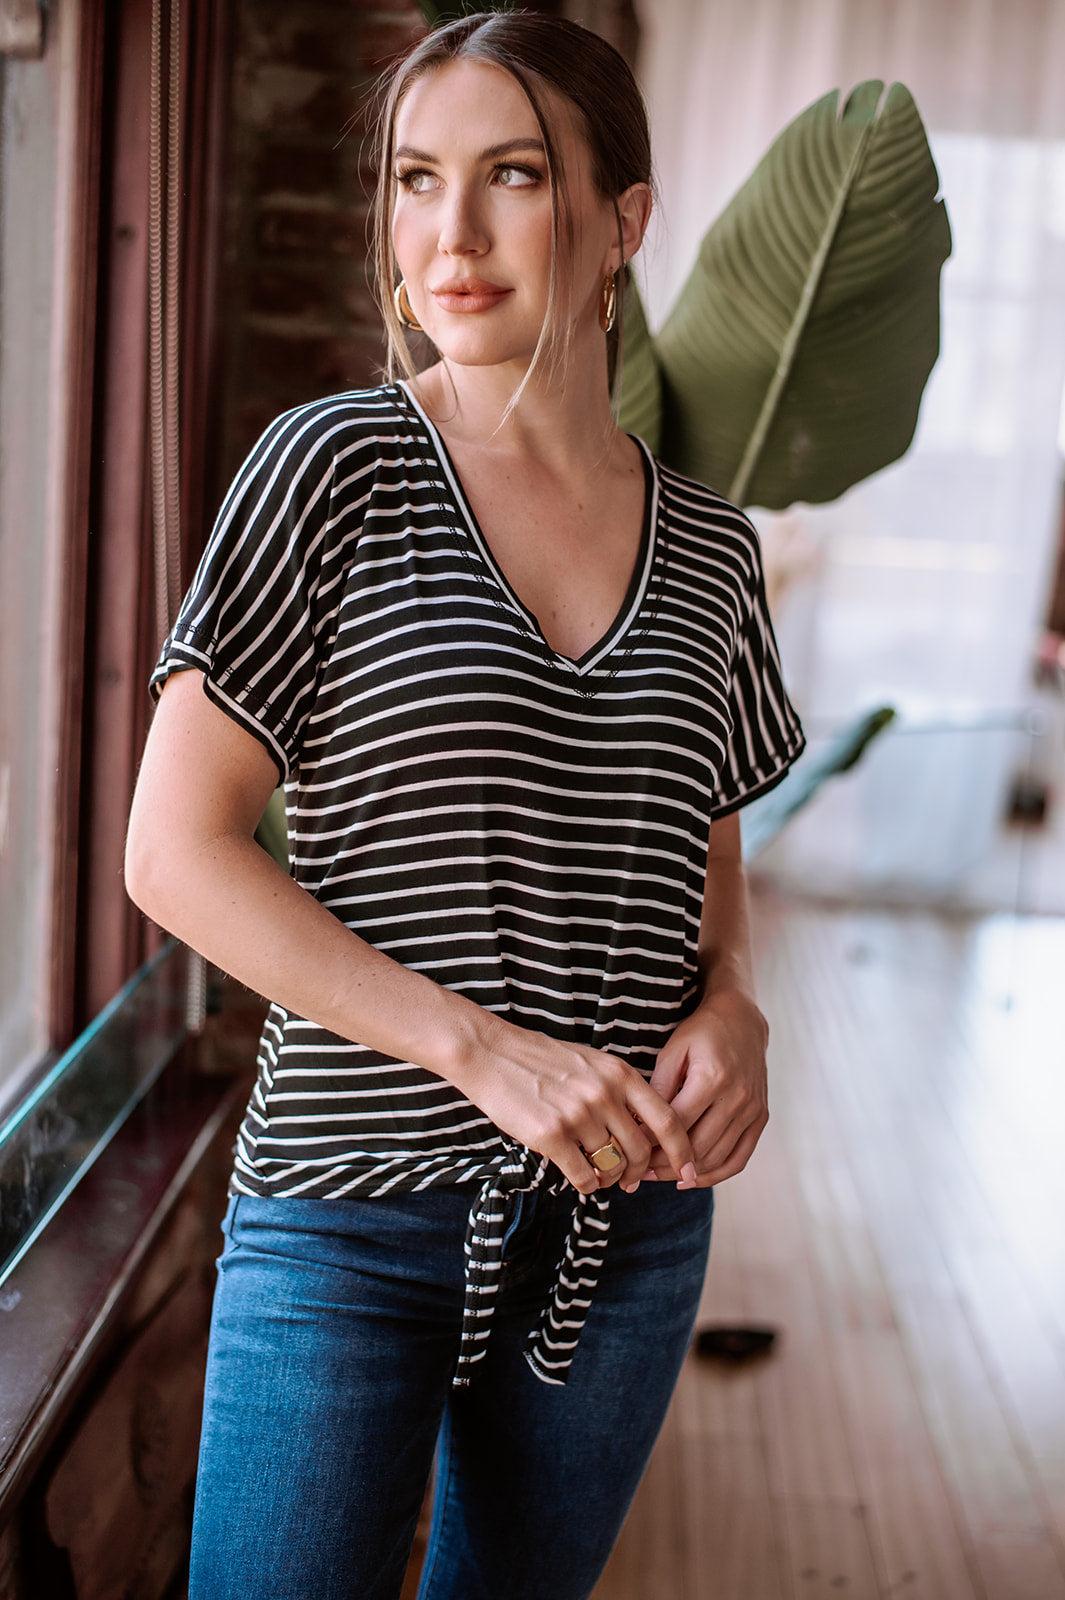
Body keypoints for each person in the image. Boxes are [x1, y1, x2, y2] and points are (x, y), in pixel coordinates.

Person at [124, 11, 806, 1599]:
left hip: (619, 1234)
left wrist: (735, 1003)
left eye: (512, 176)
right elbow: (175, 851)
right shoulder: (334, 468)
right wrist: (480, 1051)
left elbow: (700, 841)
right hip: (346, 1226)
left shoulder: (710, 552)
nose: (451, 232)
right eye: (416, 180)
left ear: (622, 220)